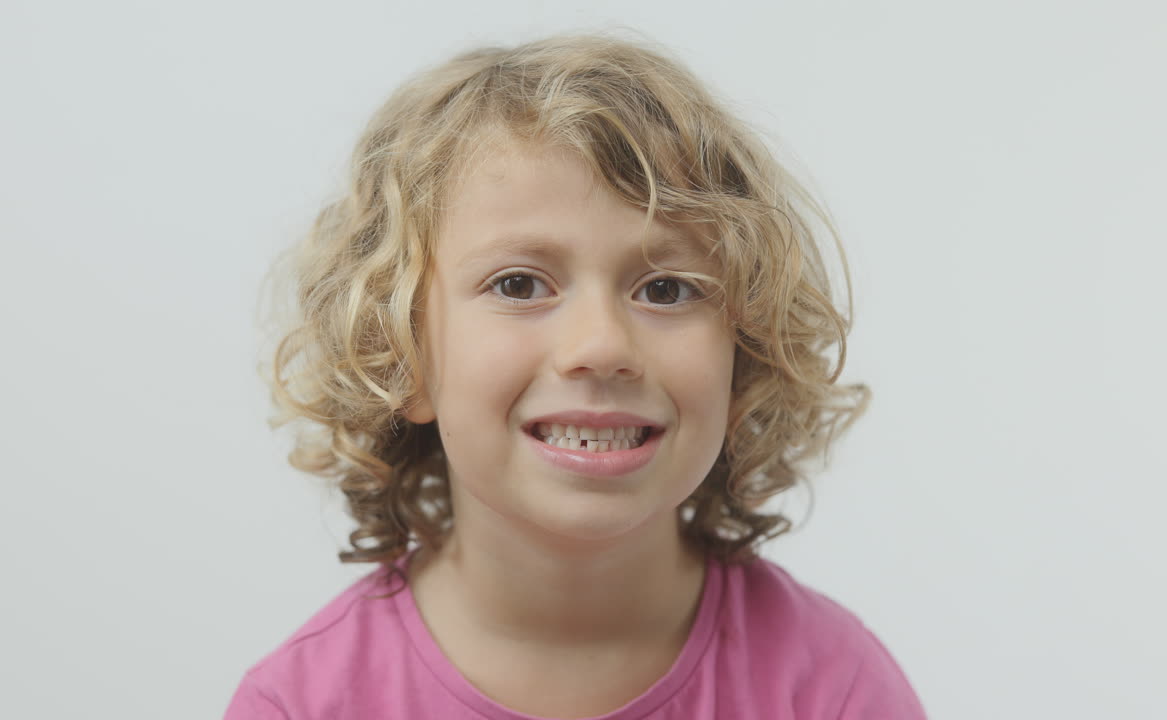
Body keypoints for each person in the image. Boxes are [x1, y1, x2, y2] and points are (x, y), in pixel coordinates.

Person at [226, 31, 928, 720]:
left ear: (745, 359)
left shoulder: (834, 692)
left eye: (665, 290)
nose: (599, 345)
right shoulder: (300, 705)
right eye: (520, 285)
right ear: (398, 356)